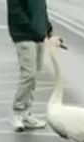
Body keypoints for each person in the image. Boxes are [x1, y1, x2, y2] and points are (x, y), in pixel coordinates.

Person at [6, 0, 53, 132]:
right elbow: (16, 12)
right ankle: (18, 112)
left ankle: (27, 113)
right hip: (24, 36)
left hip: (38, 36)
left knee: (34, 75)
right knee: (28, 74)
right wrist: (32, 27)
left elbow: (41, 11)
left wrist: (47, 28)